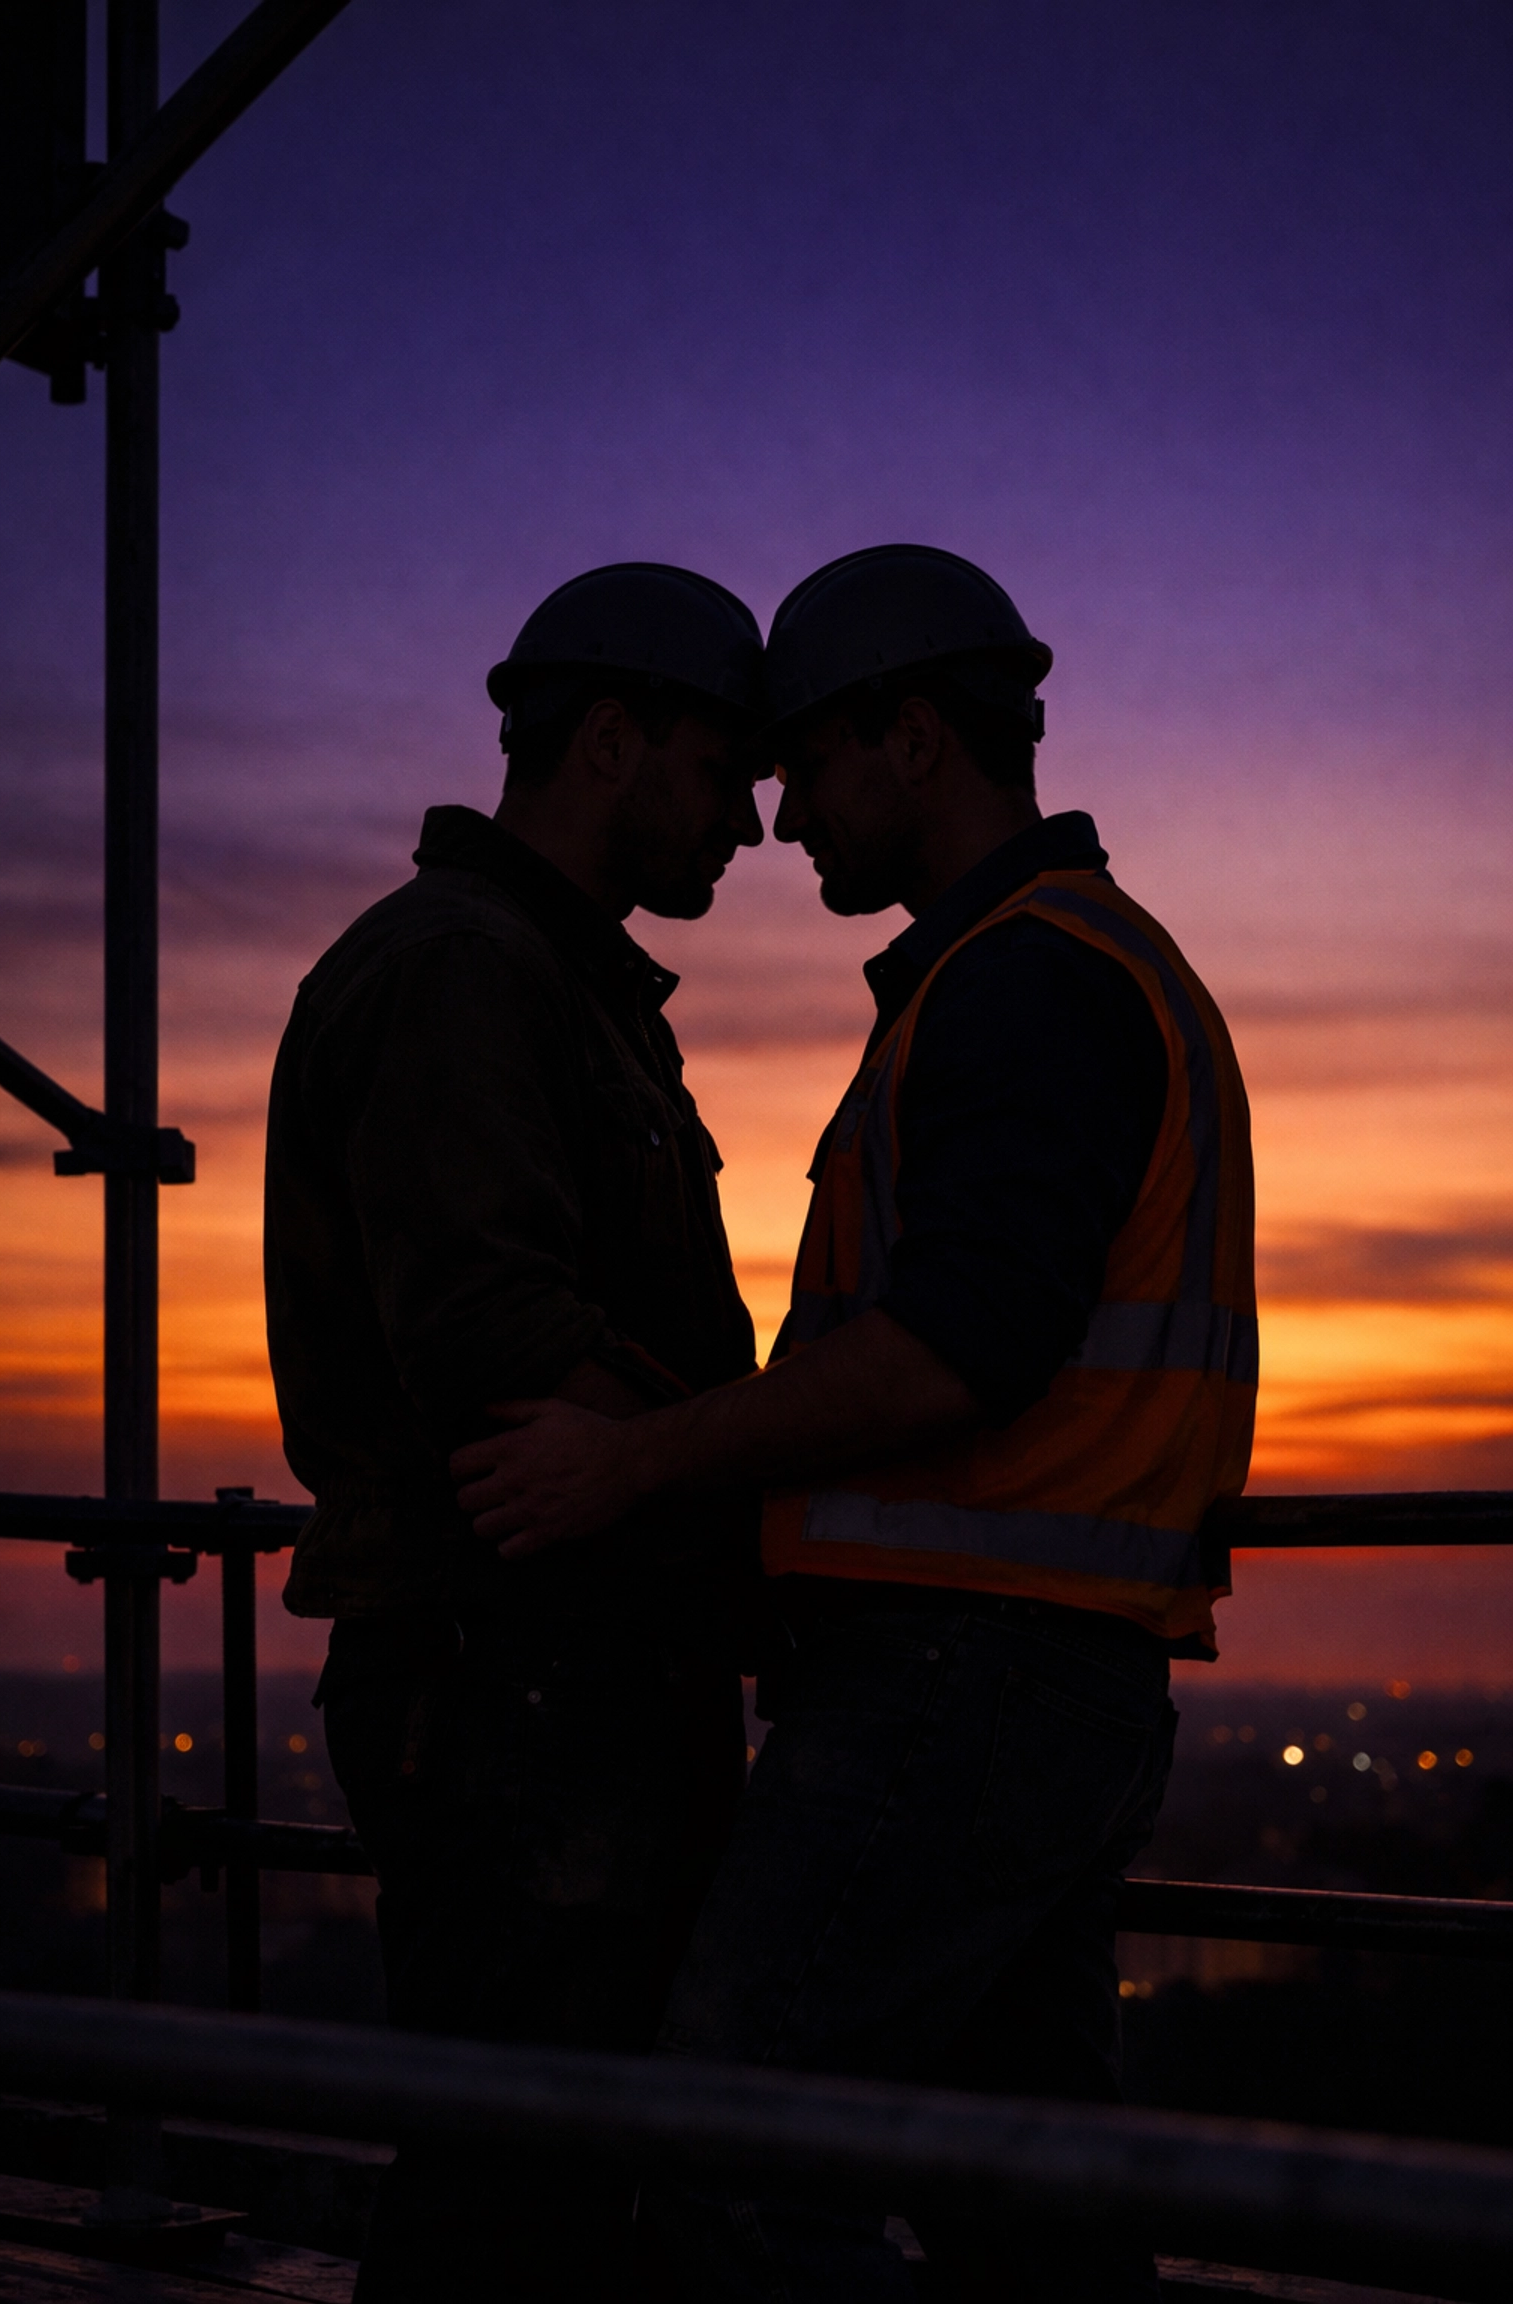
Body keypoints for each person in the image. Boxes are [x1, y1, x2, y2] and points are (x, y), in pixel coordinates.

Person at [452, 544, 1258, 2302]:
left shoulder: (1026, 985)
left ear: (911, 741)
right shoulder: (1056, 968)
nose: (776, 818)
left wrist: (635, 1459)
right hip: (1048, 1674)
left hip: (963, 1684)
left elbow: (957, 1349)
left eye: (803, 762)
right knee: (1023, 2191)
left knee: (734, 2153)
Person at [262, 562, 773, 2302]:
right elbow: (497, 1338)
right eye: (724, 775)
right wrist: (742, 1447)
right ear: (611, 742)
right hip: (517, 1680)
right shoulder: (465, 975)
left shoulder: (546, 984)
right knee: (519, 2187)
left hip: (569, 1668)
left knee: (556, 2167)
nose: (753, 825)